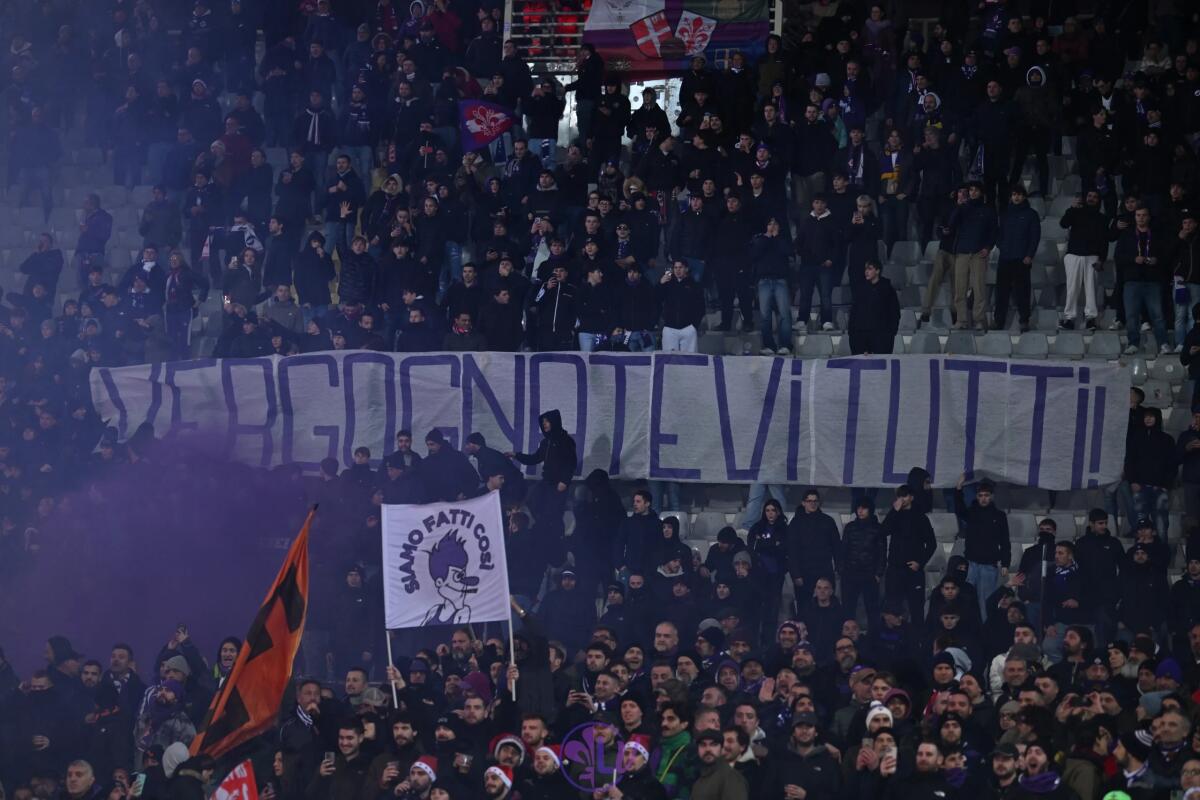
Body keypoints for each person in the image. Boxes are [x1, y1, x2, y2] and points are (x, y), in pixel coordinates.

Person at [954, 475, 1010, 622]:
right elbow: (959, 510)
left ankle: (986, 634)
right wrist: (959, 488)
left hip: (988, 566)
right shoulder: (972, 512)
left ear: (991, 496)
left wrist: (1005, 563)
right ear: (977, 496)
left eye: (986, 495)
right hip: (971, 564)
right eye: (980, 495)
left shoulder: (999, 515)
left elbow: (1005, 540)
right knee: (967, 602)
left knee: (985, 604)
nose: (983, 498)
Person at [994, 184, 1041, 331]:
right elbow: (999, 234)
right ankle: (998, 322)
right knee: (1001, 292)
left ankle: (1024, 321)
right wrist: (1003, 247)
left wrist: (1029, 255)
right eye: (1014, 194)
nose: (1016, 197)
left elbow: (1035, 237)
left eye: (1019, 194)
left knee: (1023, 292)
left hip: (1022, 259)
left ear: (1024, 196)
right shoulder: (1005, 213)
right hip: (1005, 258)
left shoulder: (1031, 214)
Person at [847, 259, 900, 354]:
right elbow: (854, 312)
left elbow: (894, 312)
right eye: (865, 269)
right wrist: (852, 333)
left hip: (882, 337)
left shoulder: (887, 289)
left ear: (877, 271)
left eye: (870, 269)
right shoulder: (861, 289)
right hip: (861, 337)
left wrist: (891, 333)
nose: (866, 271)